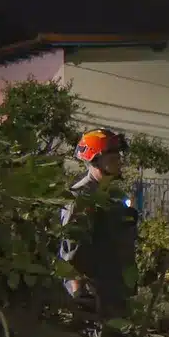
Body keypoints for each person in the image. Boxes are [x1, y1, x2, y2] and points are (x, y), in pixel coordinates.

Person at [58, 128, 139, 320]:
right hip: (93, 298)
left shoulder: (114, 196)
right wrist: (79, 295)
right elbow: (72, 250)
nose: (119, 160)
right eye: (112, 156)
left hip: (116, 293)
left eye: (119, 155)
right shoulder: (80, 198)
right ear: (95, 159)